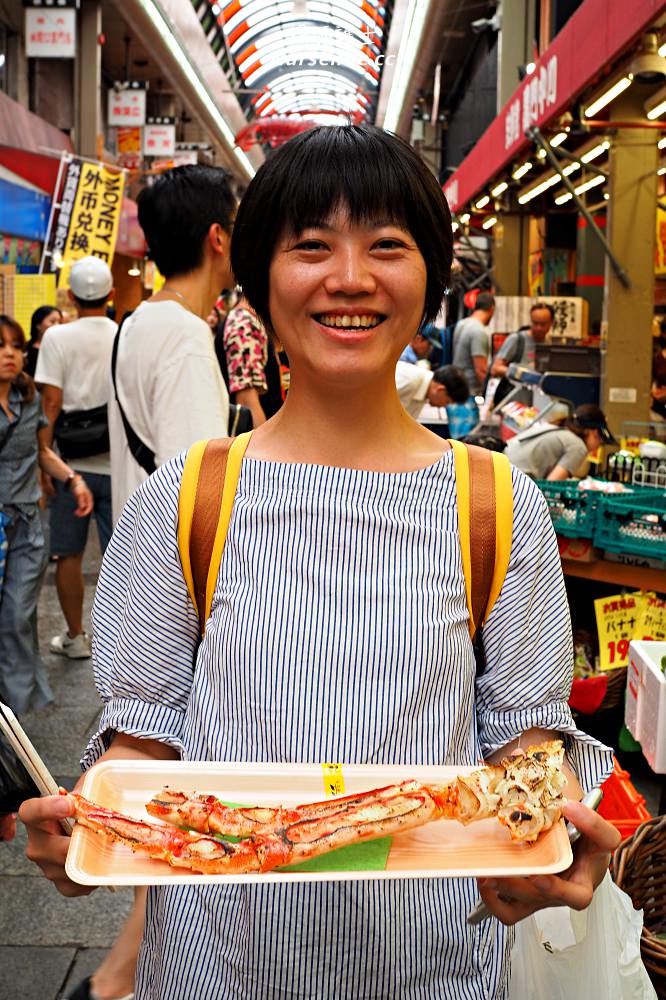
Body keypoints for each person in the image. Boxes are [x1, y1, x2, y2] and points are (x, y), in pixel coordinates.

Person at [20, 125, 619, 1000]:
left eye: (387, 245)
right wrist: (84, 838)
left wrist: (554, 838)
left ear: (427, 277)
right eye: (311, 247)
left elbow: (524, 740)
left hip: (434, 966)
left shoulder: (495, 503)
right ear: (260, 278)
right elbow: (140, 755)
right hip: (215, 967)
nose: (349, 278)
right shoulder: (185, 501)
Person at [108, 164, 232, 522]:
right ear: (218, 238)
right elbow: (197, 491)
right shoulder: (184, 335)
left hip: (136, 554)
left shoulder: (136, 322)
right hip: (172, 571)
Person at [0, 315, 92, 714]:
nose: (10, 354)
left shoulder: (29, 398)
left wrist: (73, 479)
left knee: (17, 616)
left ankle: (15, 720)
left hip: (26, 529)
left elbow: (40, 451)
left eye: (16, 347)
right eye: (1, 345)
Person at [35, 256, 116, 660]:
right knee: (128, 557)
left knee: (68, 553)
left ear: (70, 296)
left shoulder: (57, 338)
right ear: (112, 295)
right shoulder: (124, 334)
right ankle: (125, 640)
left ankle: (75, 635)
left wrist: (43, 458)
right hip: (118, 461)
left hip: (70, 466)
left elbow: (50, 402)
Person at [505, 402, 616, 481]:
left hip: (498, 469)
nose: (598, 446)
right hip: (511, 481)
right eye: (601, 441)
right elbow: (552, 484)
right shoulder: (578, 446)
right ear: (594, 433)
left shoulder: (556, 428)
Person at [222, 295, 283, 426]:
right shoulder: (244, 325)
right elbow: (247, 404)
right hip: (257, 441)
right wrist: (263, 446)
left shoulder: (250, 321)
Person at [490, 301, 554, 379]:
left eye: (543, 324)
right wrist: (521, 373)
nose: (538, 328)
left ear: (551, 323)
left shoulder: (549, 343)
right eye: (535, 323)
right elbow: (495, 369)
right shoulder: (516, 339)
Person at [451, 291, 495, 397]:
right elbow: (481, 370)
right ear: (492, 308)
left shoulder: (462, 323)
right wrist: (490, 395)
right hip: (470, 392)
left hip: (457, 386)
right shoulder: (479, 331)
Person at [395, 360, 468, 418]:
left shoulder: (425, 391)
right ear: (440, 389)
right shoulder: (409, 380)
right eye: (447, 402)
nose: (444, 406)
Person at [25, 305, 63, 377]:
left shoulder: (59, 349)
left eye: (60, 322)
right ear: (38, 325)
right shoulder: (31, 353)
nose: (57, 326)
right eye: (52, 322)